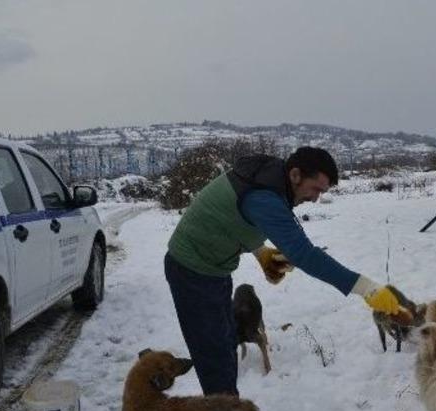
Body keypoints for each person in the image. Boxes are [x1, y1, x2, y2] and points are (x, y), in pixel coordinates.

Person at [164, 146, 402, 397]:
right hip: (192, 271)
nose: (316, 198)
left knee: (224, 344)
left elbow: (229, 219)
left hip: (214, 269)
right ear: (296, 175)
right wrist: (367, 289)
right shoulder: (265, 196)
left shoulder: (271, 183)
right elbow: (304, 254)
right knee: (215, 357)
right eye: (316, 189)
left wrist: (261, 253)